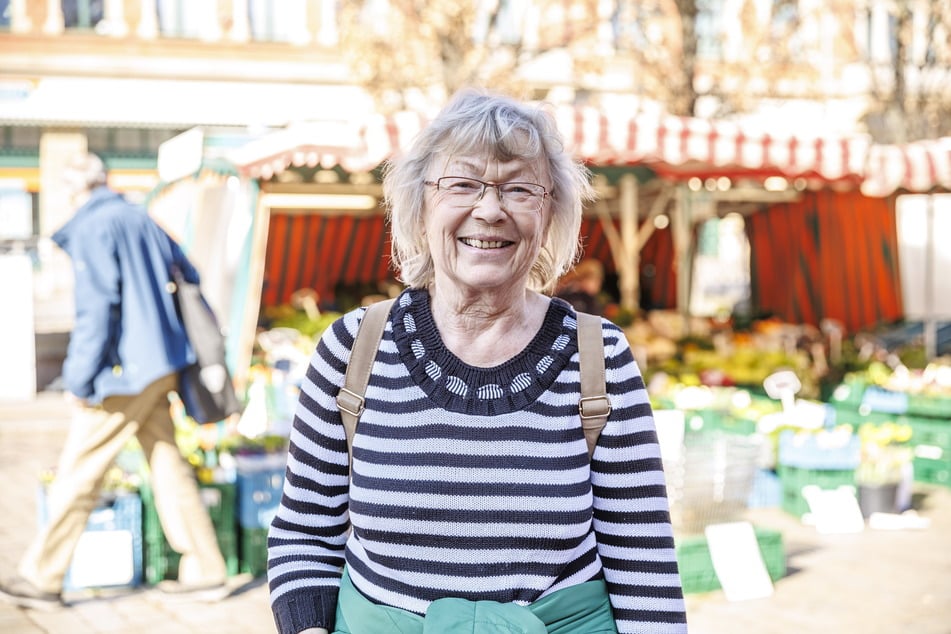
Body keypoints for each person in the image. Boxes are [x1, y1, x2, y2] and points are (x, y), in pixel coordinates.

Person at [266, 89, 687, 634]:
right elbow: (305, 532)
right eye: (462, 184)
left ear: (551, 210)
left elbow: (642, 556)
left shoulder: (597, 356)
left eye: (518, 188)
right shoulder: (352, 350)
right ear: (419, 203)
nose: (489, 210)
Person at [0, 153, 233, 609]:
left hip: (126, 372)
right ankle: (208, 570)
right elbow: (189, 272)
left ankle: (42, 577)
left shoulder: (93, 226)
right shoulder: (142, 217)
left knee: (80, 468)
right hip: (162, 361)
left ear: (71, 190)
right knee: (166, 461)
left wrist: (78, 377)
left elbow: (97, 311)